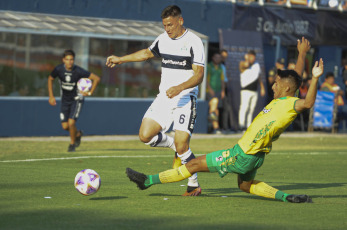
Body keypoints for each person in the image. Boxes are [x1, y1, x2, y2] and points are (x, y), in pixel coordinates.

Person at [126, 37, 322, 203]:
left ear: (286, 89)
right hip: (255, 158)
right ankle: (287, 197)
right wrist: (302, 54)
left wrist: (314, 79)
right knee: (245, 186)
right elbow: (294, 80)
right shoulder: (285, 99)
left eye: (277, 83)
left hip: (241, 155)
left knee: (193, 165)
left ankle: (147, 181)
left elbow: (308, 103)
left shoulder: (291, 104)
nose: (273, 85)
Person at [106, 5, 205, 196]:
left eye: (170, 25)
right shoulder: (163, 39)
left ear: (180, 21)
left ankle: (194, 184)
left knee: (183, 144)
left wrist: (179, 87)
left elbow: (199, 75)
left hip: (185, 97)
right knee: (145, 136)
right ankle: (173, 146)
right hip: (164, 98)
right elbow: (145, 53)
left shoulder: (194, 42)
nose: (167, 29)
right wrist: (120, 59)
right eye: (164, 25)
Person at [48, 49, 100, 152]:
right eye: (67, 59)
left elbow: (96, 78)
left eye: (71, 59)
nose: (69, 62)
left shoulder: (78, 71)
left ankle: (72, 145)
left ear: (74, 60)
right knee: (65, 126)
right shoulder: (58, 70)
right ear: (63, 60)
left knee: (71, 123)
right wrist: (51, 96)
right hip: (64, 100)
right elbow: (50, 79)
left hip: (76, 100)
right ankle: (77, 134)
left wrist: (89, 92)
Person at [238, 50, 266, 130]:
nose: (252, 58)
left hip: (254, 90)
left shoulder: (256, 65)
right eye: (250, 56)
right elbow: (245, 65)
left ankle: (248, 125)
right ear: (247, 56)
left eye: (253, 57)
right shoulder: (242, 63)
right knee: (244, 107)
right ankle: (241, 125)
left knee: (251, 108)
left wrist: (262, 88)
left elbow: (259, 77)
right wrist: (247, 59)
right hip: (245, 90)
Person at [206, 52, 225, 134]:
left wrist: (223, 90)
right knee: (214, 104)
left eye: (219, 57)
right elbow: (205, 79)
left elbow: (222, 79)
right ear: (213, 58)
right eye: (216, 57)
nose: (218, 59)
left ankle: (212, 126)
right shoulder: (209, 66)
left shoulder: (221, 67)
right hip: (209, 91)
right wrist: (210, 89)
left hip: (218, 91)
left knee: (216, 109)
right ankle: (215, 126)